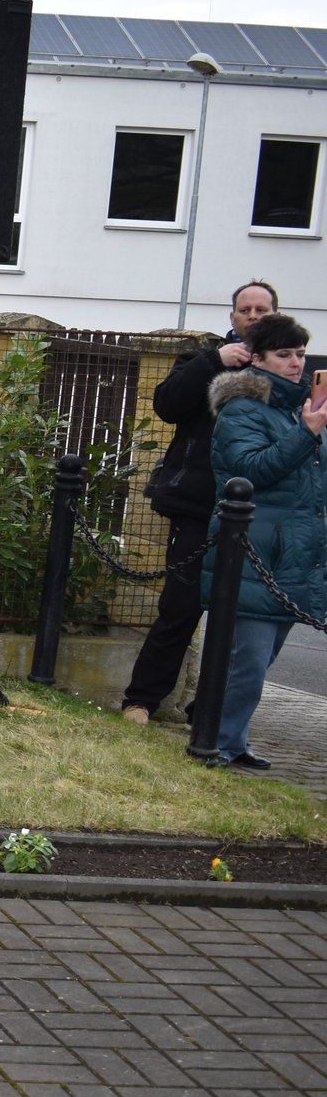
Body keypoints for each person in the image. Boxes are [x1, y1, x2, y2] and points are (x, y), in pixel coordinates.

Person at [121, 280, 278, 725]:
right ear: (232, 318)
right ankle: (141, 700)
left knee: (244, 622)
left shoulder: (284, 371)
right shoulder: (202, 359)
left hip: (260, 514)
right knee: (180, 608)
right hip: (199, 508)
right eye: (245, 309)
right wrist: (214, 362)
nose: (253, 316)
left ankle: (209, 709)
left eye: (262, 309)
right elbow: (167, 406)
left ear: (275, 316)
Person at [200, 312, 325, 769]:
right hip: (252, 553)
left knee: (262, 659)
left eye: (300, 354)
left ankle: (231, 738)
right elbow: (250, 472)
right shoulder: (242, 409)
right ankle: (216, 742)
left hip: (292, 555)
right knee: (246, 660)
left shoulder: (300, 409)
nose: (296, 363)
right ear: (257, 358)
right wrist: (306, 433)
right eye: (285, 355)